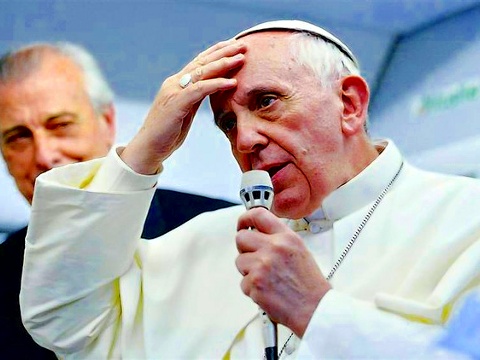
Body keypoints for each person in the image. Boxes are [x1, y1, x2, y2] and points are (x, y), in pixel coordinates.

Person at [20, 20, 480, 359]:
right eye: (227, 123)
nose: (245, 140)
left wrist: (317, 311)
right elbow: (64, 320)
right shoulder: (205, 240)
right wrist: (142, 154)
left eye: (267, 102)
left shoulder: (467, 221)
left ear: (349, 104)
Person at [0, 42, 234, 359]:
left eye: (61, 125)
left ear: (107, 123)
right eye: (18, 137)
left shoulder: (226, 232)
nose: (43, 154)